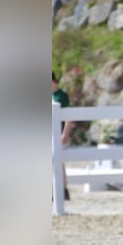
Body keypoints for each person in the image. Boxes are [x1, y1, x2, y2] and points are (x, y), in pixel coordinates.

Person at [52, 71, 73, 200]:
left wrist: (65, 133)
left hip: (57, 132)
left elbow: (68, 117)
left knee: (59, 162)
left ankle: (63, 189)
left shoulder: (61, 96)